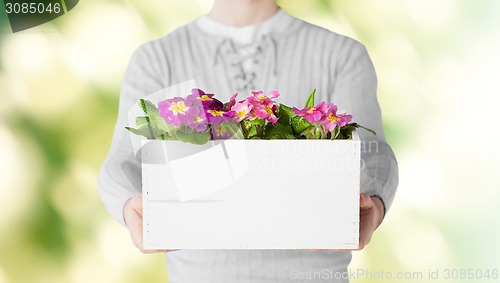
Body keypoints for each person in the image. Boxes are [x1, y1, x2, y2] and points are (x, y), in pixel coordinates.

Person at [98, 0, 398, 282]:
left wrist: (373, 203)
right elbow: (122, 161)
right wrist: (130, 205)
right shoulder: (156, 59)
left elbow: (372, 153)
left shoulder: (341, 54)